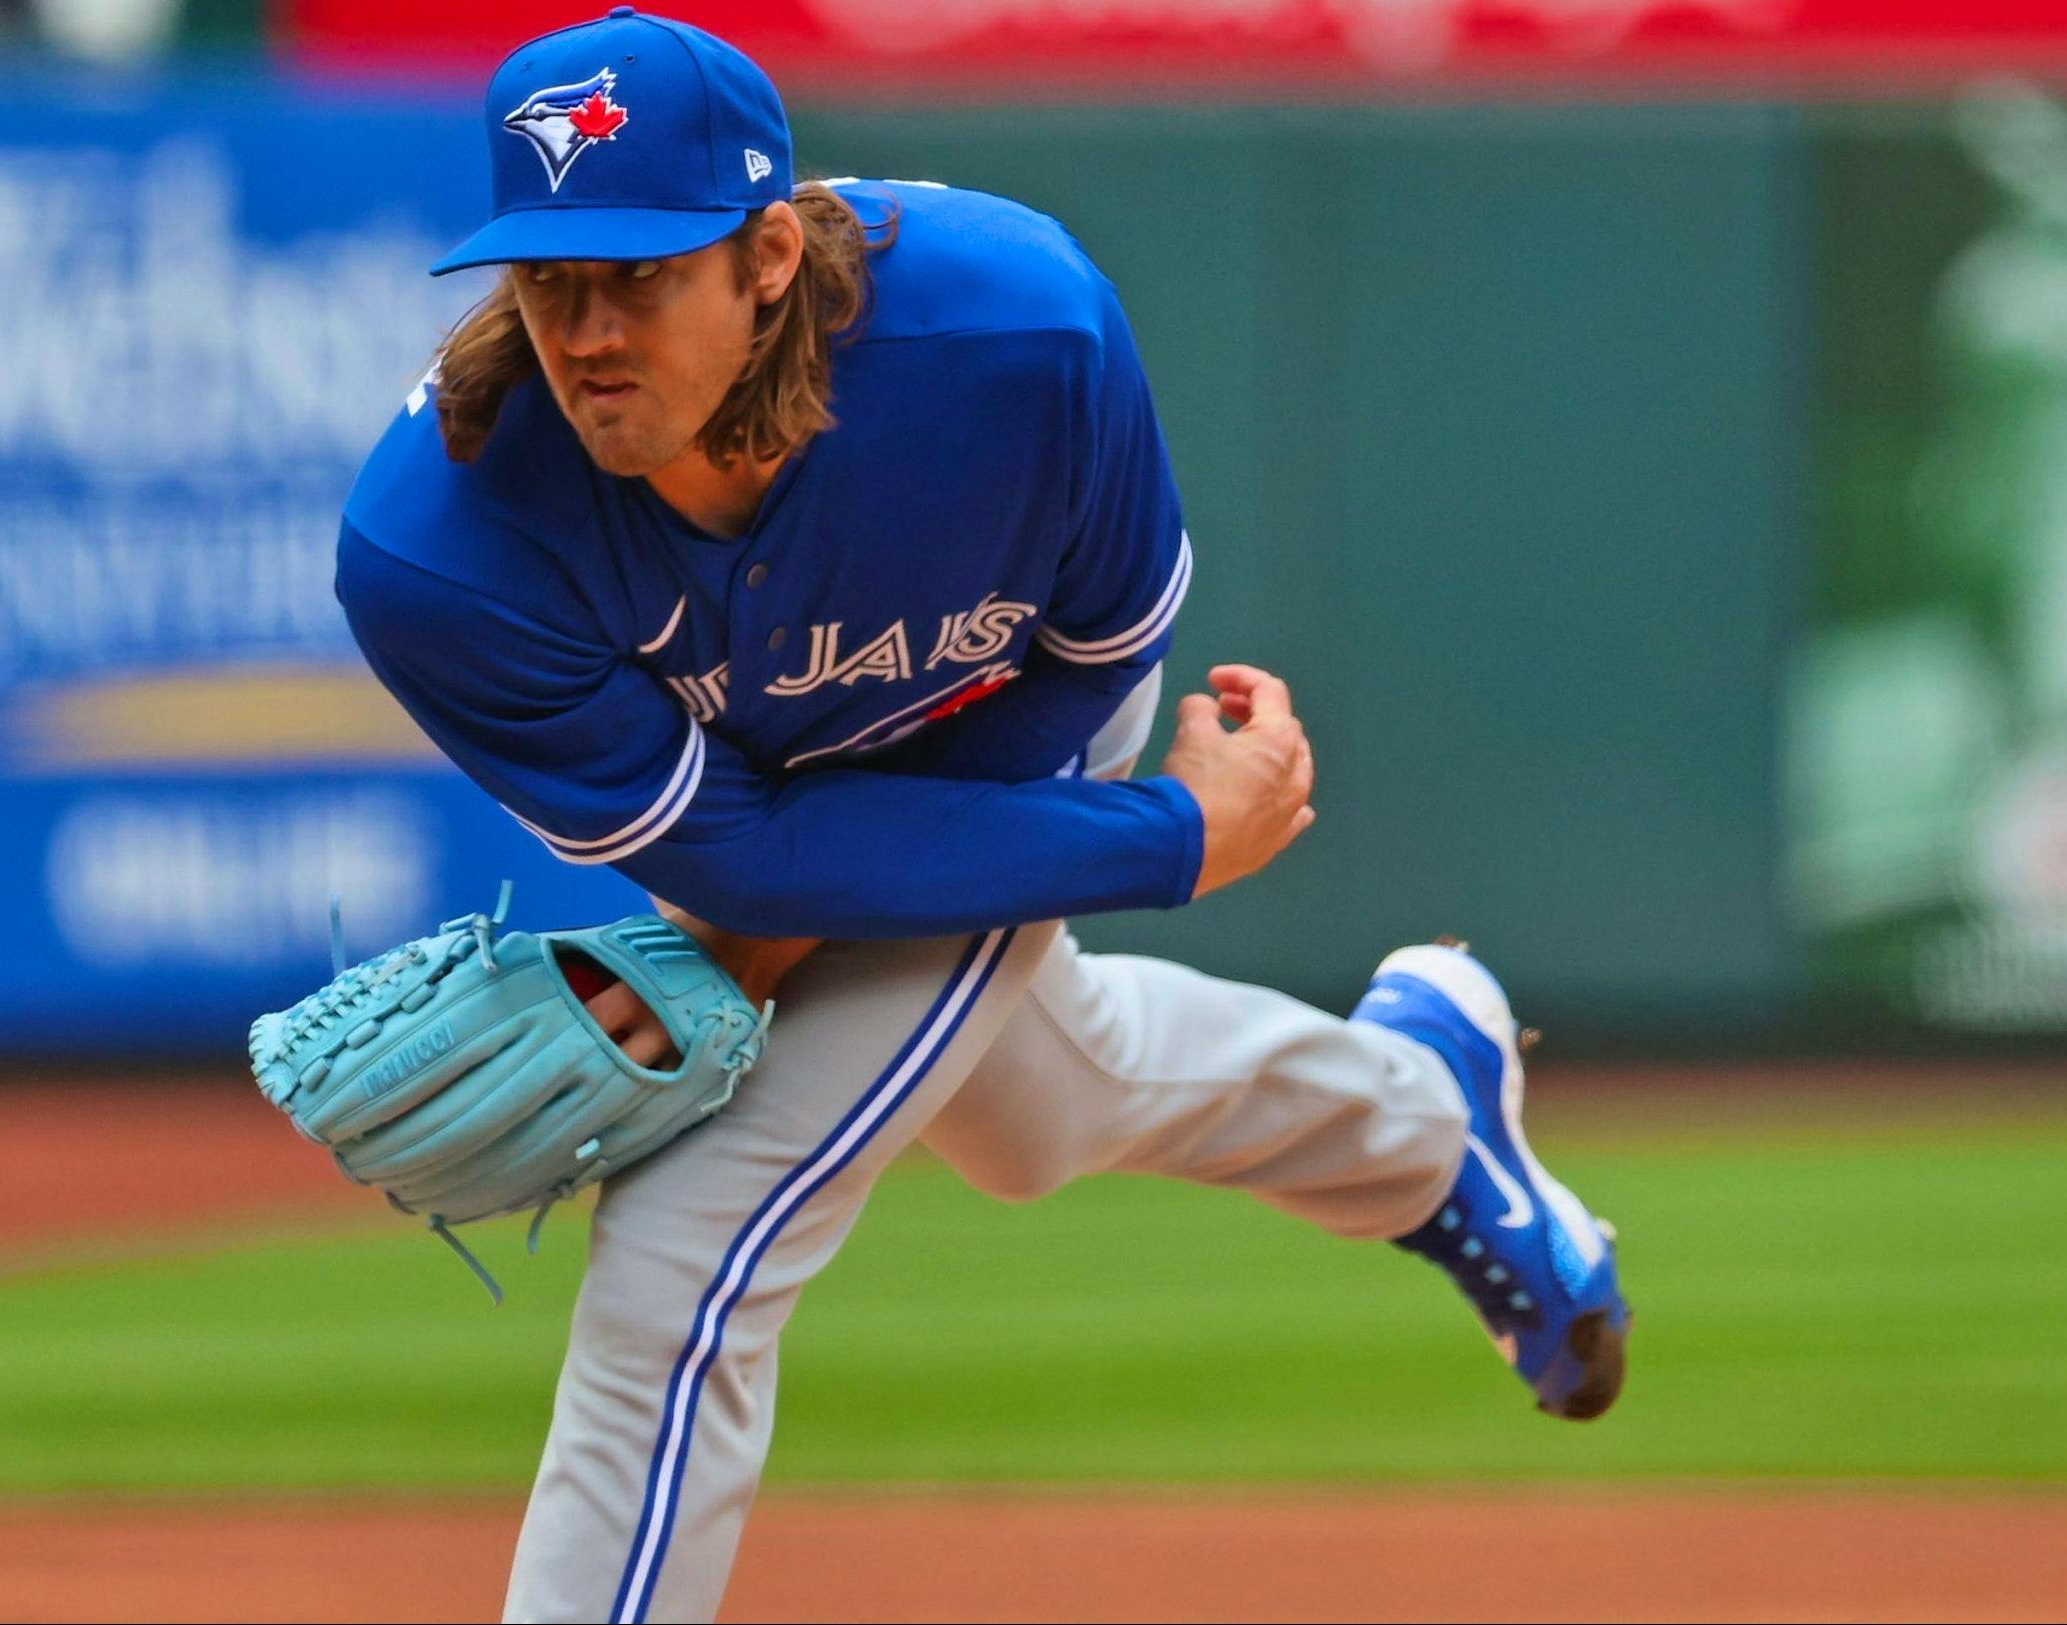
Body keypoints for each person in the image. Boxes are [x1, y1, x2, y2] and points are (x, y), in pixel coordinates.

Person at [336, 11, 1631, 1621]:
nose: (587, 332)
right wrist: (1163, 844)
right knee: (1031, 1112)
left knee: (684, 1245)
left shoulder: (1019, 333)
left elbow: (1091, 659)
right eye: (549, 281)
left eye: (637, 275)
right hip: (768, 819)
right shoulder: (436, 550)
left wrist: (1146, 823)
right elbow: (737, 855)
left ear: (762, 254)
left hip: (1007, 722)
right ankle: (1423, 1110)